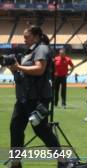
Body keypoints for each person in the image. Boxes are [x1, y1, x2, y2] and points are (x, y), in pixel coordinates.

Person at [8, 26, 62, 168]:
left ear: (37, 36)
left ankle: (63, 160)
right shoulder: (29, 51)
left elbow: (39, 70)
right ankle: (16, 162)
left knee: (42, 130)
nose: (24, 40)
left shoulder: (42, 49)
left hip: (37, 98)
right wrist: (14, 69)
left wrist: (19, 67)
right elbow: (23, 75)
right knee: (16, 128)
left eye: (27, 37)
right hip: (23, 98)